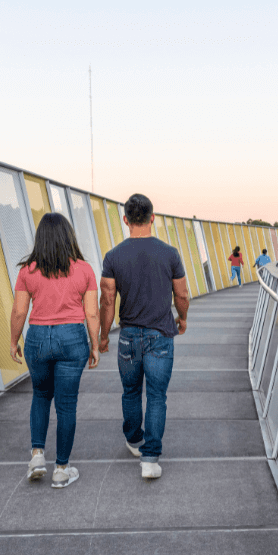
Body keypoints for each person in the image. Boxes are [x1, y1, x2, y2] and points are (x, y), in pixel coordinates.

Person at [99, 193, 189, 479]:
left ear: (126, 220)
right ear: (153, 218)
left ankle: (134, 439)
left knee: (131, 391)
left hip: (127, 336)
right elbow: (182, 293)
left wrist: (103, 335)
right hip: (160, 333)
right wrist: (183, 317)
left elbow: (108, 299)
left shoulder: (113, 256)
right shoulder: (170, 253)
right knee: (157, 396)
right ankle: (150, 459)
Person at [10, 213, 100, 489]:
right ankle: (62, 468)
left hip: (37, 337)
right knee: (66, 405)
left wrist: (14, 341)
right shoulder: (84, 270)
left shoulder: (28, 271)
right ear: (68, 237)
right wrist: (94, 345)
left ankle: (37, 455)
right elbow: (92, 313)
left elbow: (19, 311)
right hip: (72, 338)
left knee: (40, 395)